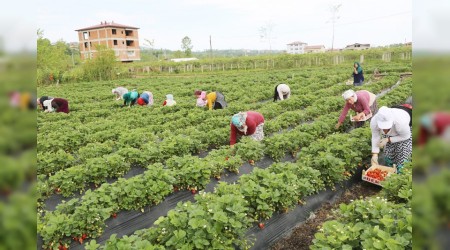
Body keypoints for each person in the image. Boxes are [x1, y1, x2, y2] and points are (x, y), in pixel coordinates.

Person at [370, 106, 412, 172]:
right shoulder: (374, 121)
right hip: (394, 113)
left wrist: (388, 139)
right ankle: (390, 169)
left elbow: (406, 136)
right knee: (389, 152)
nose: (384, 129)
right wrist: (375, 155)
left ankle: (401, 171)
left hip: (405, 126)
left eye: (386, 126)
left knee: (402, 151)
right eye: (382, 127)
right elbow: (375, 136)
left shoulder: (401, 122)